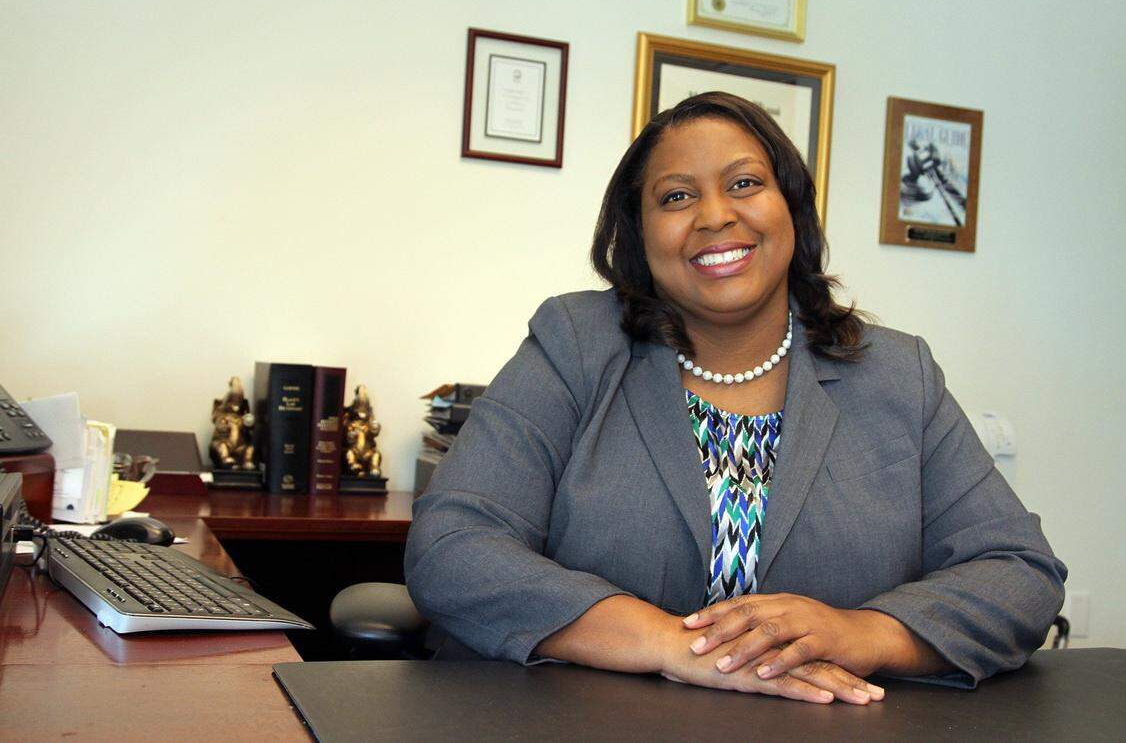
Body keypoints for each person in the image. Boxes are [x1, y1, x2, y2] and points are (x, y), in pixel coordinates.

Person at [404, 92, 1066, 705]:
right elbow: (452, 545)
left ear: (791, 207)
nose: (715, 215)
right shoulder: (576, 343)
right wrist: (678, 644)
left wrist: (858, 631)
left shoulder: (896, 373)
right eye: (676, 197)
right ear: (640, 234)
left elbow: (1018, 571)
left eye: (744, 183)